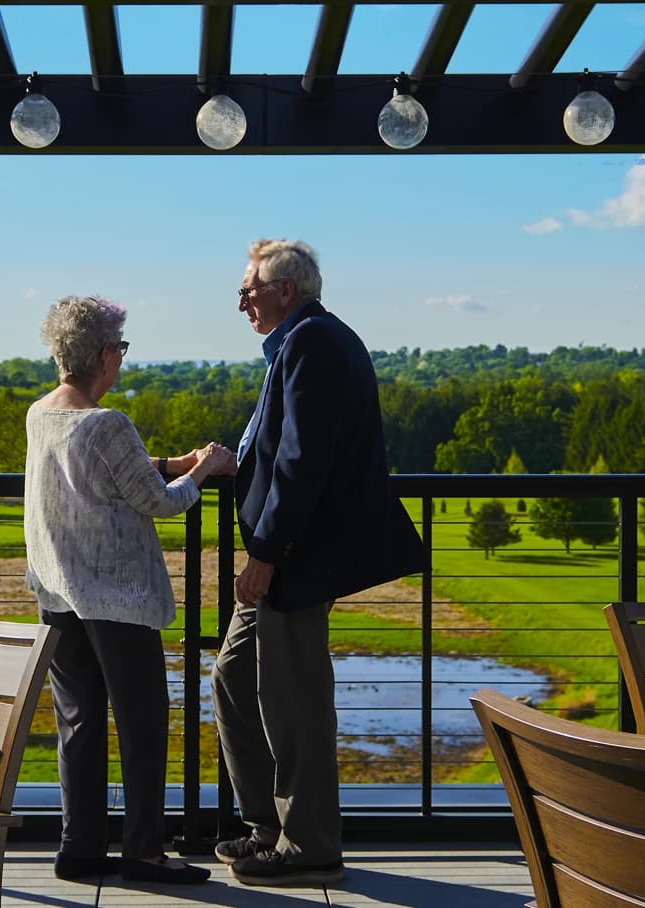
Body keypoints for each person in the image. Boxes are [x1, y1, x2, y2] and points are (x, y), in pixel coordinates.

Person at [211, 240, 426, 887]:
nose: (241, 299)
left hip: (296, 559)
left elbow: (301, 465)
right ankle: (266, 827)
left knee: (294, 699)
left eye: (249, 287)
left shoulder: (314, 344)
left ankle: (307, 843)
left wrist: (267, 556)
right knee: (233, 678)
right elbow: (282, 452)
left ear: (287, 289)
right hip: (286, 556)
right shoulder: (301, 343)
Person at [23, 295, 235, 886]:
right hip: (115, 599)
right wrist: (205, 467)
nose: (121, 359)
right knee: (142, 726)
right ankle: (143, 852)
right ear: (101, 355)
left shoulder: (42, 413)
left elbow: (113, 471)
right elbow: (158, 502)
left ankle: (80, 849)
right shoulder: (108, 422)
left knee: (80, 723)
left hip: (59, 597)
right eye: (120, 348)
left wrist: (169, 459)